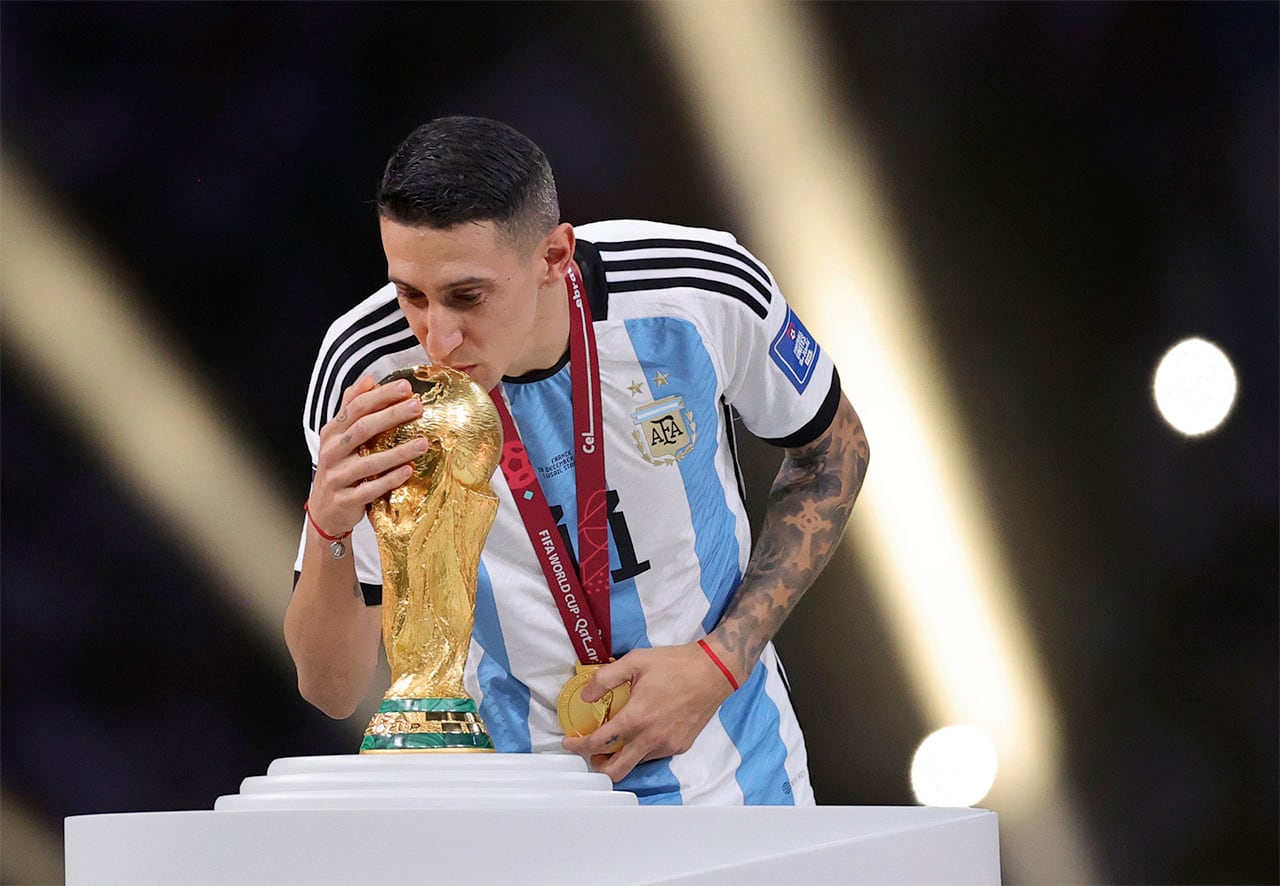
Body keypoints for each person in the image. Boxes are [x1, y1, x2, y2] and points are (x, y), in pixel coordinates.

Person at [285, 116, 869, 805]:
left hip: (739, 781)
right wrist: (327, 525)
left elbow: (835, 449)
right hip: (520, 815)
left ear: (555, 257)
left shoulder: (697, 288)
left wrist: (721, 661)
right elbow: (334, 690)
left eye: (468, 297)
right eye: (411, 295)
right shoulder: (368, 372)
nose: (436, 337)